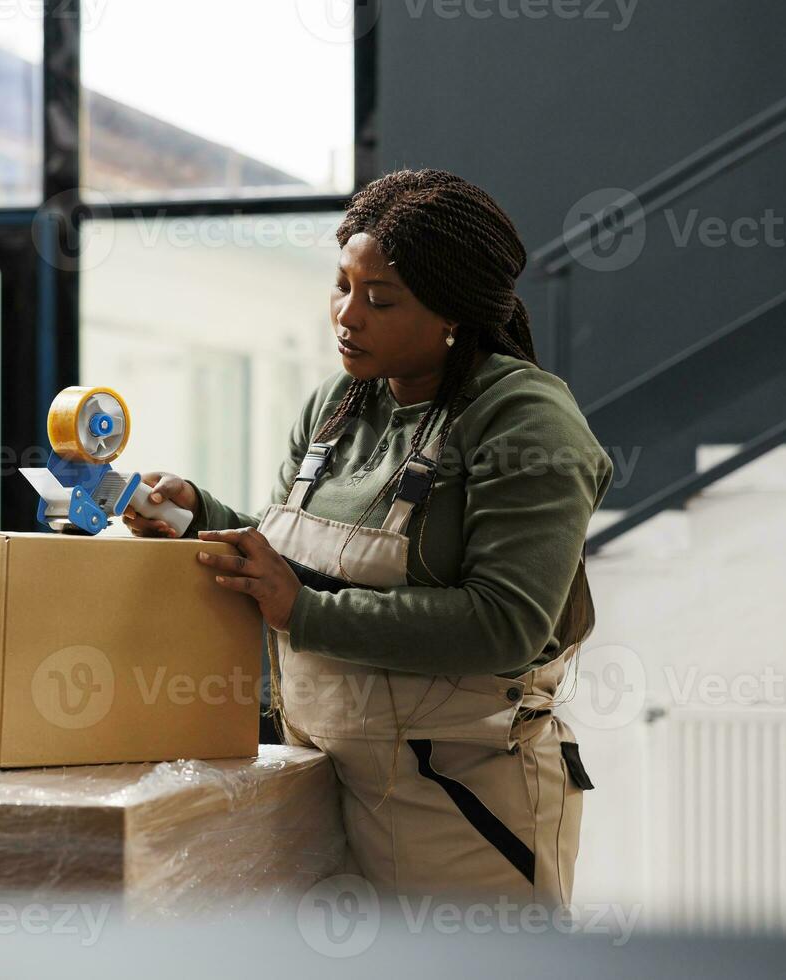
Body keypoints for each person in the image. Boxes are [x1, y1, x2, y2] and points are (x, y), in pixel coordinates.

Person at [125, 169, 613, 909]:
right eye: (341, 286)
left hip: (460, 804)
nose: (347, 316)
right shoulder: (337, 407)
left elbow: (505, 626)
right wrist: (197, 515)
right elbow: (290, 566)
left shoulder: (524, 423)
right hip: (318, 779)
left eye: (380, 299)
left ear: (455, 312)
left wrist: (308, 615)